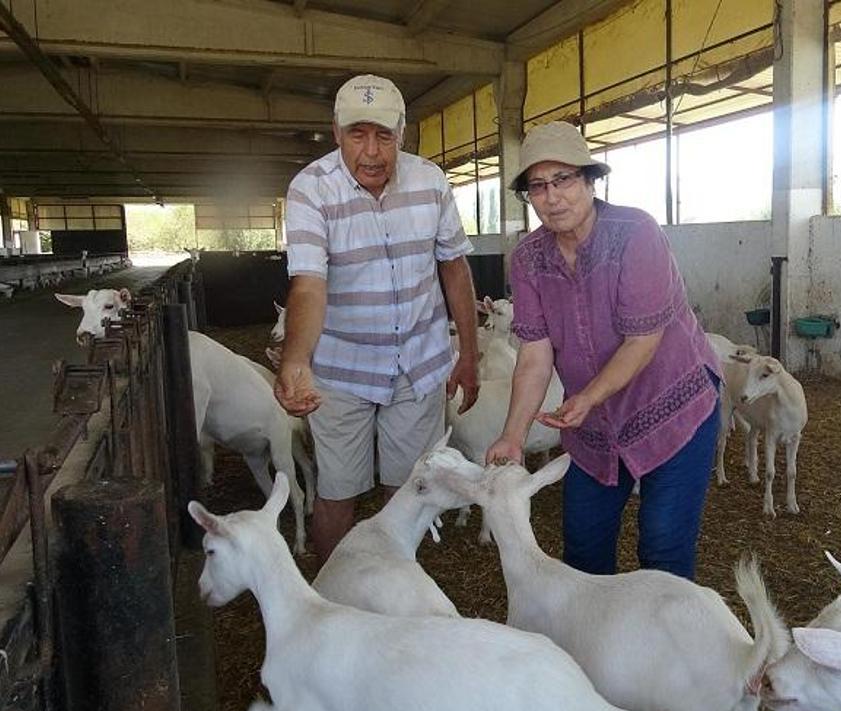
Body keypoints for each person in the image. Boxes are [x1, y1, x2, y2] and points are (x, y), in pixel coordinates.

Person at [486, 121, 721, 580]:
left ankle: (665, 648)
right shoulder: (528, 259)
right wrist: (512, 435)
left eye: (564, 180)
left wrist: (588, 398)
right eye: (537, 187)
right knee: (583, 546)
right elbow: (534, 355)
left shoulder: (635, 233)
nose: (552, 197)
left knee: (663, 546)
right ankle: (596, 646)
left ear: (591, 180)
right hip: (593, 428)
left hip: (672, 406)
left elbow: (643, 340)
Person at [275, 74, 480, 561]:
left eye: (384, 136)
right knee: (338, 492)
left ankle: (397, 597)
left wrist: (469, 353)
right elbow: (308, 283)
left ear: (402, 134)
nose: (371, 152)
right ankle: (334, 602)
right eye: (357, 135)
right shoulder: (310, 189)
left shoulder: (430, 182)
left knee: (408, 492)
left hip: (419, 362)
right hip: (342, 371)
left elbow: (454, 266)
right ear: (336, 133)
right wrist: (296, 361)